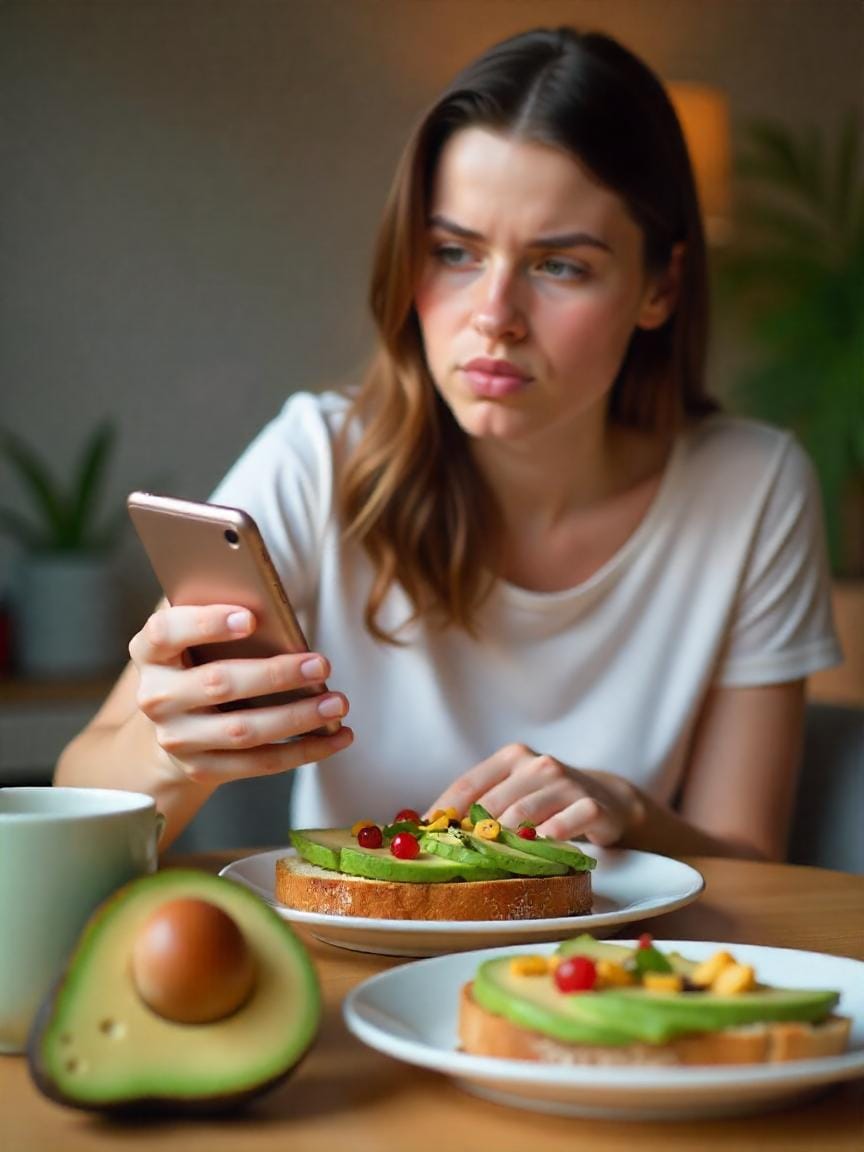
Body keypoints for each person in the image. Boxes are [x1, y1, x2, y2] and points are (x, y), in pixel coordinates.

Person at [57, 26, 840, 859]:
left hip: (602, 964)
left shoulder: (751, 488)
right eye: (455, 252)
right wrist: (169, 750)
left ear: (661, 287)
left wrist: (630, 811)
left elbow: (752, 863)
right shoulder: (317, 461)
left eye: (559, 266)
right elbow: (78, 802)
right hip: (359, 966)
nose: (493, 316)